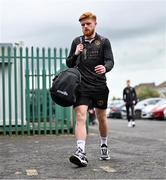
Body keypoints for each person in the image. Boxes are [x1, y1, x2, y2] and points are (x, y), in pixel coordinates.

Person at [66, 12, 114, 167]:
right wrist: (75, 53)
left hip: (99, 86)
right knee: (80, 116)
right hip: (81, 86)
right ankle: (80, 152)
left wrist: (105, 68)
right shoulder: (76, 41)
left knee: (101, 118)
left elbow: (110, 61)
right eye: (82, 25)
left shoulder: (104, 41)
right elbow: (69, 63)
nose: (85, 27)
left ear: (95, 24)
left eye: (88, 24)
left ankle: (104, 145)